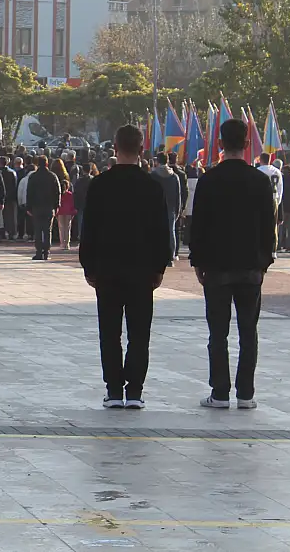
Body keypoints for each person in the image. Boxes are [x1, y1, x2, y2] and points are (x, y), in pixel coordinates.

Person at [78, 125, 172, 410]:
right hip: (142, 270)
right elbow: (161, 230)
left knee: (109, 332)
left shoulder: (100, 184)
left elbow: (89, 228)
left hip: (107, 268)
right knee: (139, 333)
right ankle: (135, 391)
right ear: (142, 149)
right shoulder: (152, 186)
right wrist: (160, 267)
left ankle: (114, 390)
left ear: (115, 148)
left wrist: (88, 266)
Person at [190, 118, 276, 410]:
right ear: (247, 143)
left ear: (219, 144)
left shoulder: (209, 180)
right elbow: (269, 225)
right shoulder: (260, 181)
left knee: (218, 333)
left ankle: (220, 391)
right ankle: (246, 393)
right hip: (251, 265)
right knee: (248, 331)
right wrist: (266, 259)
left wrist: (197, 261)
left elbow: (198, 225)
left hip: (216, 266)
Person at [25, 155, 61, 261]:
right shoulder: (52, 176)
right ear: (46, 163)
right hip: (49, 206)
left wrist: (28, 206)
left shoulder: (33, 176)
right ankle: (46, 252)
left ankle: (38, 252)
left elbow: (29, 192)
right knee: (47, 230)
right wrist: (57, 205)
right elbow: (57, 191)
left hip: (37, 206)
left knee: (38, 229)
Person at [150, 153, 182, 259]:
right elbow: (178, 195)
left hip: (156, 207)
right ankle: (170, 256)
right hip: (171, 207)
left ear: (157, 161)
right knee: (171, 232)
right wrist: (178, 210)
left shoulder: (153, 176)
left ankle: (157, 255)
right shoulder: (174, 176)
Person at [53, 158, 76, 251]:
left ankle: (62, 242)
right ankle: (67, 243)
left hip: (60, 210)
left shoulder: (53, 176)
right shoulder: (66, 176)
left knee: (61, 227)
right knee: (67, 227)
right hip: (68, 211)